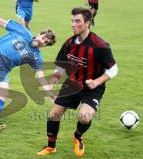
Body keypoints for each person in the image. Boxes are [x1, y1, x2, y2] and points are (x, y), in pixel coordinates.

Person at [37, 7, 118, 157]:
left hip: (92, 88)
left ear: (87, 23)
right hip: (72, 84)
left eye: (77, 21)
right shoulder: (69, 43)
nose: (73, 24)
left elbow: (113, 70)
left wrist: (97, 82)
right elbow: (62, 65)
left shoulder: (100, 46)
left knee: (85, 117)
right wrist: (53, 82)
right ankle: (51, 147)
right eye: (72, 21)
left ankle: (78, 137)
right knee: (54, 114)